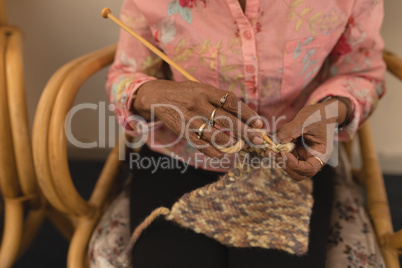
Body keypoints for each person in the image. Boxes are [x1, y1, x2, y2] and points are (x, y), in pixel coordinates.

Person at [105, 0, 385, 267]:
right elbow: (124, 75)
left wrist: (328, 112)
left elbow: (362, 74)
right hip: (178, 157)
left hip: (292, 163)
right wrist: (149, 95)